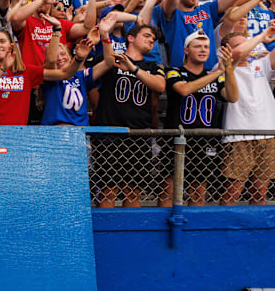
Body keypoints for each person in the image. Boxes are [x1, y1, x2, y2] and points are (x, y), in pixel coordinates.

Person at [159, 31, 238, 207]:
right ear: (186, 50)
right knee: (168, 192)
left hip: (204, 140)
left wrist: (229, 68)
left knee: (198, 193)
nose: (203, 50)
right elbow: (184, 90)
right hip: (176, 139)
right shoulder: (174, 71)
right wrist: (218, 72)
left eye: (206, 47)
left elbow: (232, 97)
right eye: (197, 46)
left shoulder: (217, 77)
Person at [92, 25, 166, 208]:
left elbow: (160, 86)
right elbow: (90, 82)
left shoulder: (153, 66)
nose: (151, 40)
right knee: (108, 192)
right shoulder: (112, 60)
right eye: (147, 36)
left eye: (153, 39)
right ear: (131, 38)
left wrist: (133, 69)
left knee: (134, 192)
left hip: (138, 135)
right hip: (109, 133)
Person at [0, 28, 91, 125]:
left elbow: (64, 74)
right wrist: (2, 69)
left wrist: (78, 59)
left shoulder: (27, 71)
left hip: (17, 134)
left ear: (11, 44)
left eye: (2, 41)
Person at [219, 27, 275, 205]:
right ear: (225, 49)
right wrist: (261, 37)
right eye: (238, 45)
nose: (246, 48)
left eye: (246, 43)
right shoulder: (222, 67)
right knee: (233, 192)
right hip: (239, 136)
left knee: (260, 192)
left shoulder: (260, 64)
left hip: (268, 134)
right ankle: (224, 229)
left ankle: (256, 231)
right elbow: (237, 54)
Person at [41, 13, 117, 126]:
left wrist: (105, 35)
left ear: (68, 55)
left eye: (62, 54)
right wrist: (57, 30)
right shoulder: (49, 77)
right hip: (55, 134)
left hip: (79, 134)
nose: (60, 58)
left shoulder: (81, 76)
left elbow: (109, 62)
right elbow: (51, 61)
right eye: (56, 55)